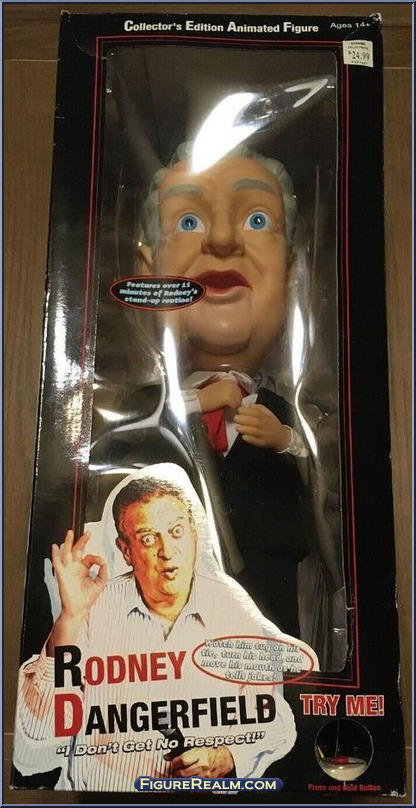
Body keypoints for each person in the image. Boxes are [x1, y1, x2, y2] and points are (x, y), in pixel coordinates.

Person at [14, 464, 318, 792]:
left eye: (176, 531)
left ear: (194, 532)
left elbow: (274, 719)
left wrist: (226, 757)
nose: (167, 551)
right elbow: (36, 735)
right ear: (125, 550)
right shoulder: (92, 608)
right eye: (148, 538)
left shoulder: (232, 607)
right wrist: (71, 617)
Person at [137, 143, 310, 636]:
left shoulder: (288, 410)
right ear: (149, 275)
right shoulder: (146, 410)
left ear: (291, 276)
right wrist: (194, 404)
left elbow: (328, 482)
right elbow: (131, 456)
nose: (221, 238)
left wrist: (285, 440)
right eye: (188, 222)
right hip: (172, 574)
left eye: (257, 220)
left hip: (268, 561)